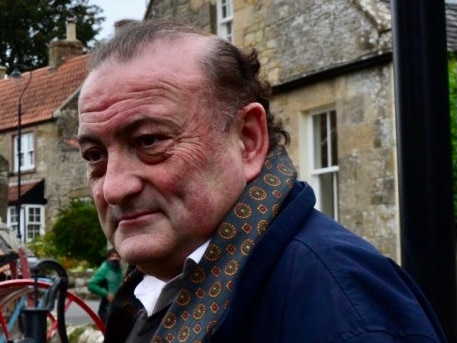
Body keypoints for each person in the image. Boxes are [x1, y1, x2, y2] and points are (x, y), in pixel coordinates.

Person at [77, 20, 447, 342]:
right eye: (95, 155)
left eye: (149, 141)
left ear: (248, 140)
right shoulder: (167, 282)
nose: (113, 188)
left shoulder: (346, 309)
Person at [87, 248, 123, 324]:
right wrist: (106, 294)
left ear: (120, 258)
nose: (115, 258)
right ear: (108, 258)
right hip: (106, 310)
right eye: (112, 256)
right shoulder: (104, 268)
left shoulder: (119, 270)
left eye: (117, 256)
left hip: (118, 309)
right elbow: (91, 284)